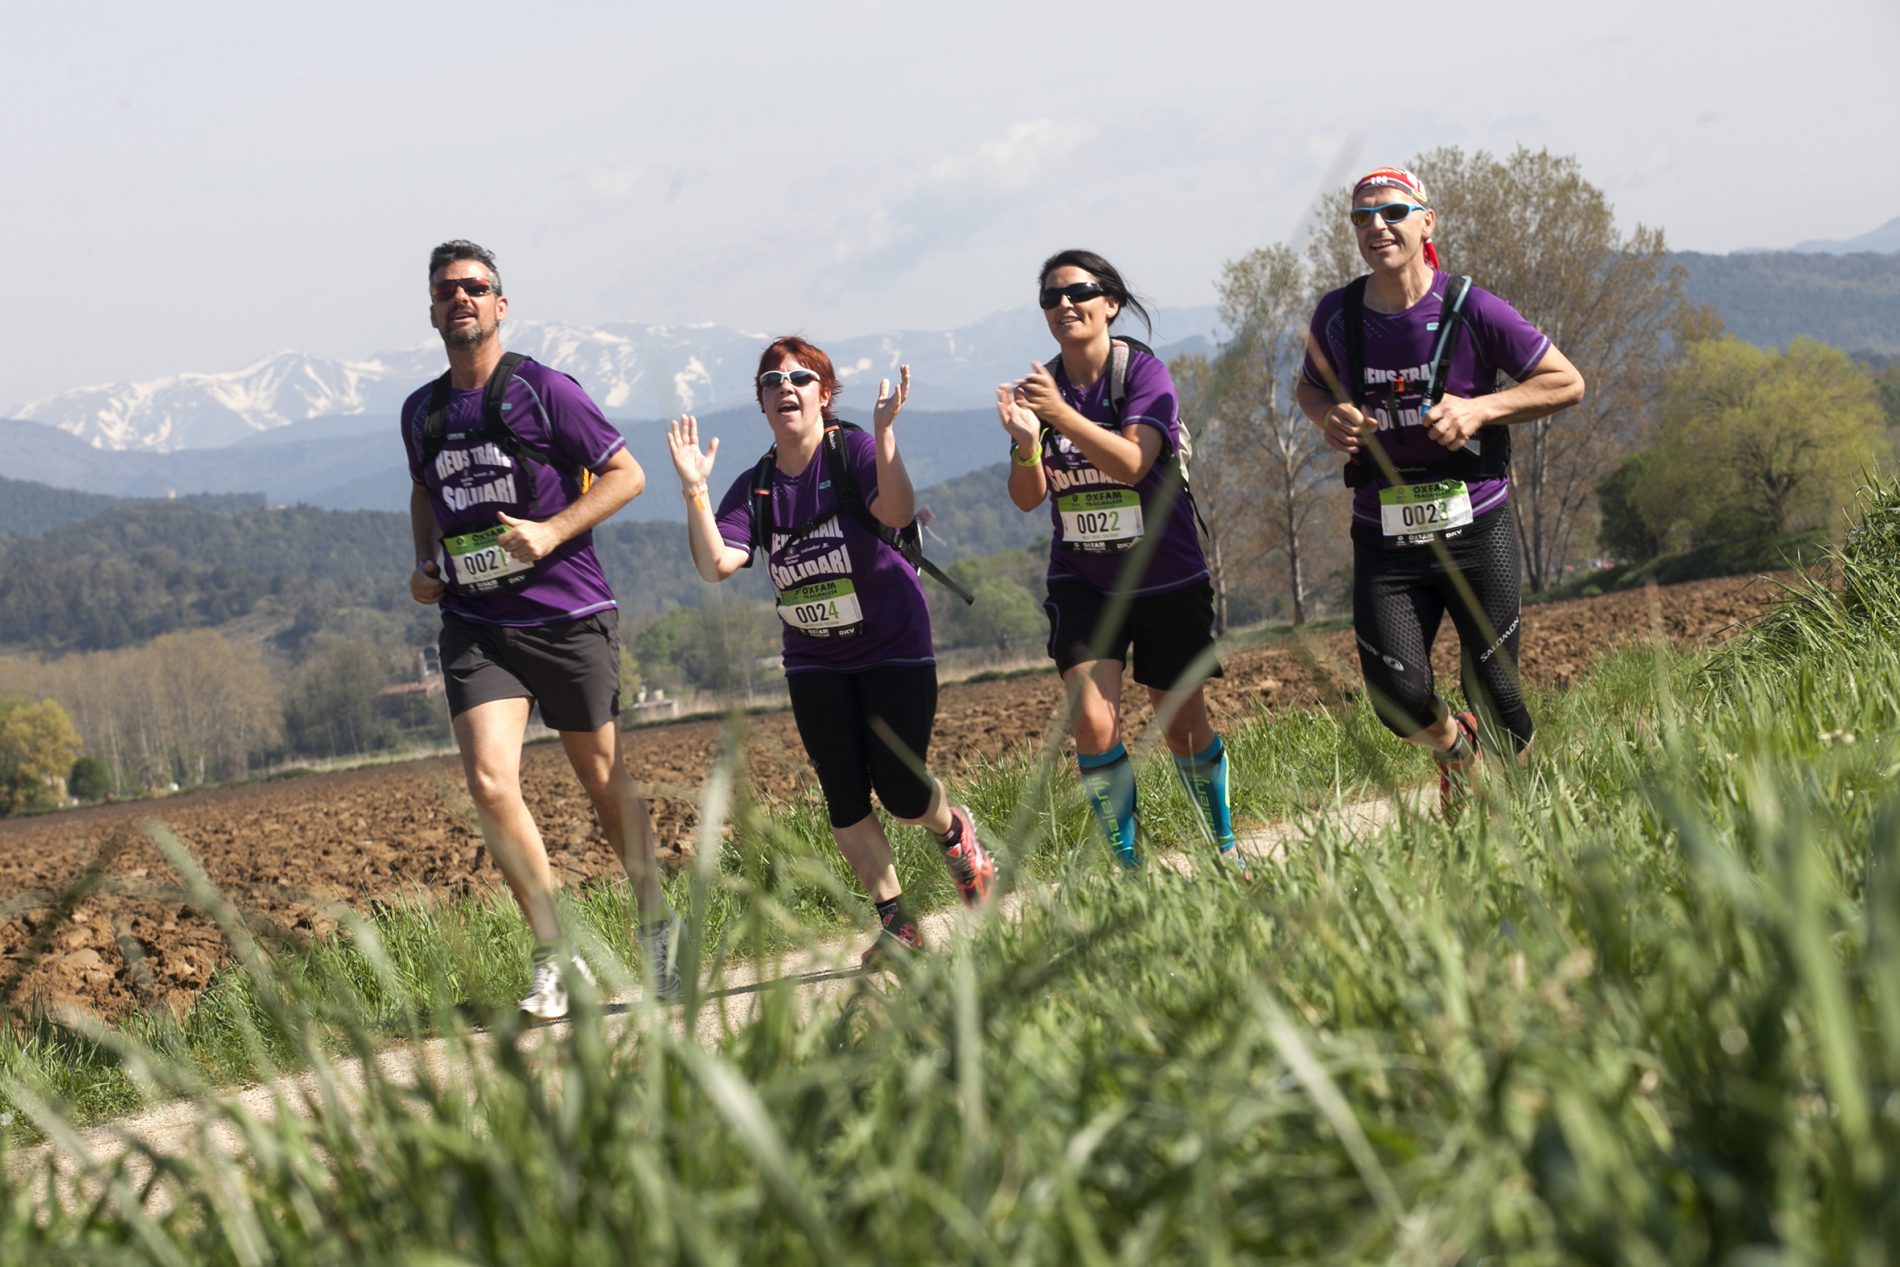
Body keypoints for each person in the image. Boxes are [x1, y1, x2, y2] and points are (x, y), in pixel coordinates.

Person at [403, 239, 680, 1020]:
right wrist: (424, 560)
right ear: (431, 311)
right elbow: (424, 490)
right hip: (476, 622)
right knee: (491, 782)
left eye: (475, 287)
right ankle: (555, 955)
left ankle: (658, 928)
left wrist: (552, 531)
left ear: (500, 304)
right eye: (447, 289)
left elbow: (629, 474)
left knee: (603, 781)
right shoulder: (420, 411)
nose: (461, 298)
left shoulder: (545, 390)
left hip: (566, 613)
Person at [666, 336, 997, 967]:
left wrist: (887, 433)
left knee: (902, 793)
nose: (784, 387)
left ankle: (955, 833)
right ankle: (898, 924)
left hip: (894, 646)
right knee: (843, 796)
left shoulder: (854, 451)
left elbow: (896, 510)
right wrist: (696, 494)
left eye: (799, 378)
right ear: (762, 404)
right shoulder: (757, 487)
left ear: (824, 392)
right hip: (815, 661)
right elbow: (716, 565)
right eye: (771, 381)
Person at [1293, 166, 1586, 814]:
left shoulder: (1469, 307)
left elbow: (1566, 381)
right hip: (1385, 540)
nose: (1377, 227)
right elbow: (1309, 387)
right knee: (1396, 697)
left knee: (1494, 688)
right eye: (1363, 217)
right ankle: (1456, 748)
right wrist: (1327, 416)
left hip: (1477, 529)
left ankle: (1538, 815)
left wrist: (1481, 410)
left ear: (1427, 221)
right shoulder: (1338, 316)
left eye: (1393, 212)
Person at [996, 250, 1244, 874]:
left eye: (1079, 292)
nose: (1064, 306)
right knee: (1090, 715)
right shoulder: (1043, 389)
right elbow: (1028, 498)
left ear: (1111, 302)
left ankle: (1223, 850)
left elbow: (1134, 462)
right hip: (1082, 578)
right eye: (1051, 298)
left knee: (1181, 721)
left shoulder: (1143, 374)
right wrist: (1028, 448)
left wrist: (1060, 416)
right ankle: (1130, 870)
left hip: (1165, 574)